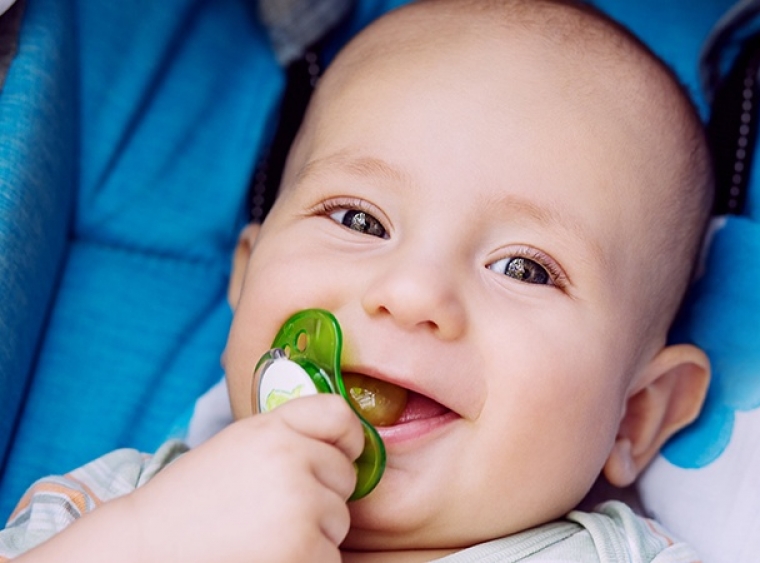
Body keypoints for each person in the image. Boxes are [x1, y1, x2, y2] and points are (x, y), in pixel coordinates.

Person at [0, 0, 713, 561]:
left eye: (524, 268)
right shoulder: (120, 507)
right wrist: (144, 546)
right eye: (358, 219)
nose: (410, 294)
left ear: (635, 414)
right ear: (245, 282)